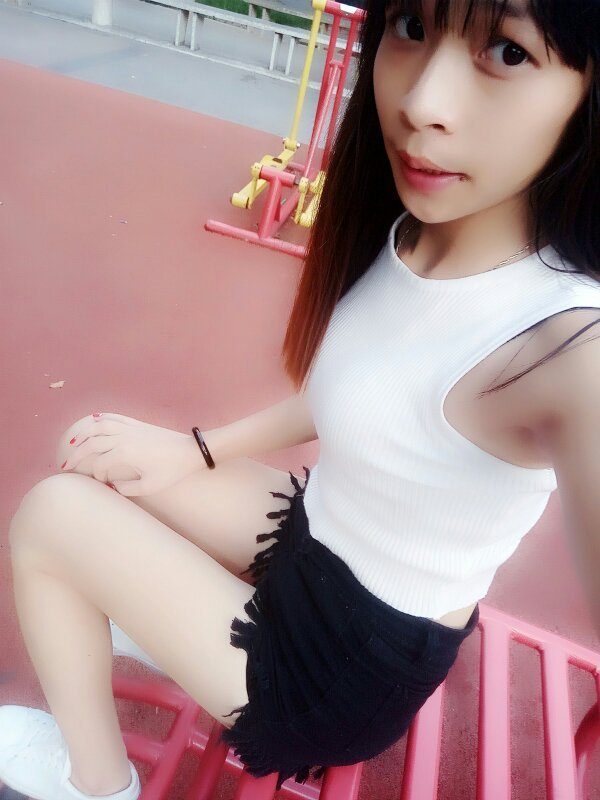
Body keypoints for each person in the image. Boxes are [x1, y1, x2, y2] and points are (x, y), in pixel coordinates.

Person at [2, 0, 599, 797]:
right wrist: (192, 448)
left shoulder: (568, 346)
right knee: (96, 451)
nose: (422, 101)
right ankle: (160, 615)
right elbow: (351, 399)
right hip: (319, 542)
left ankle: (96, 783)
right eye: (413, 27)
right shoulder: (420, 231)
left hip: (339, 675)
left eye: (508, 51)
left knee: (52, 518)